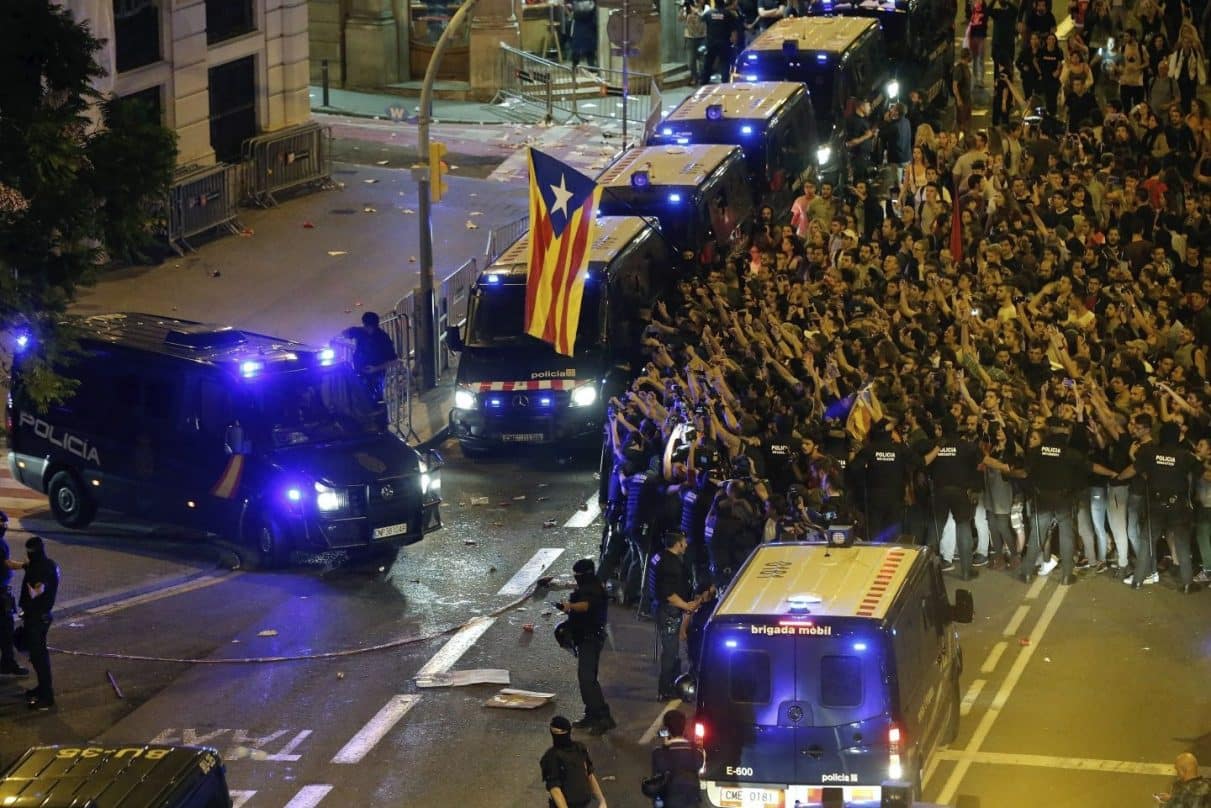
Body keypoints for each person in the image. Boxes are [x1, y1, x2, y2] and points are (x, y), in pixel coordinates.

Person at [1019, 417, 1115, 585]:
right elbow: (1091, 467)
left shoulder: (1037, 451)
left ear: (1048, 431)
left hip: (1042, 499)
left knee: (1036, 536)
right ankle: (1066, 576)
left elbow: (1026, 473)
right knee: (1066, 536)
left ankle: (1026, 573)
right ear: (1064, 434)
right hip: (1064, 499)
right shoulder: (1071, 454)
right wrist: (1112, 473)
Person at [1116, 421, 1203, 592]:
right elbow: (1204, 474)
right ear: (1178, 436)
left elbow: (1132, 470)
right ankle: (1187, 584)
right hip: (1177, 506)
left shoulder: (1150, 453)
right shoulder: (1185, 455)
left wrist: (1118, 478)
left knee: (1147, 541)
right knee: (1182, 544)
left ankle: (1138, 581)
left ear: (1161, 436)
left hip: (1155, 505)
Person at [555, 559, 617, 733]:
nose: (576, 579)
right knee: (586, 679)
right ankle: (591, 714)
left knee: (587, 680)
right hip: (585, 638)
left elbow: (585, 606)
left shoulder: (595, 590)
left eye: (578, 576)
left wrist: (569, 607)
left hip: (591, 639)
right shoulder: (590, 585)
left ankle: (603, 718)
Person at [653, 532, 709, 701]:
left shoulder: (661, 556)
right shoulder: (670, 565)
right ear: (677, 544)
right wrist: (687, 606)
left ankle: (674, 683)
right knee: (670, 652)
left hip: (667, 609)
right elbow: (669, 593)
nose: (686, 545)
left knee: (673, 651)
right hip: (670, 611)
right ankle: (665, 689)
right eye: (684, 542)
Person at [15, 536, 58, 710]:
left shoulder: (38, 571)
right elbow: (23, 565)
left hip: (36, 618)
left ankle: (46, 696)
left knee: (39, 658)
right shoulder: (49, 564)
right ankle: (42, 688)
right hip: (41, 617)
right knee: (37, 656)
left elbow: (36, 592)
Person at [540, 716, 609, 808]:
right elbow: (555, 790)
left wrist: (602, 800)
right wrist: (602, 800)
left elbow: (589, 774)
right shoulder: (552, 757)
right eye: (555, 732)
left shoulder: (579, 749)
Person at [648, 710, 705, 807]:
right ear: (684, 728)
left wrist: (666, 743)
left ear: (667, 730)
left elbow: (656, 780)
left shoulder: (658, 754)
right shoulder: (697, 752)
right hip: (690, 802)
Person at [340, 311, 397, 401]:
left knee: (376, 400)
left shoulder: (383, 338)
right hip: (359, 373)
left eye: (371, 327)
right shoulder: (359, 332)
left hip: (376, 376)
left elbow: (394, 361)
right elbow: (344, 333)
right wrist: (350, 333)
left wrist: (376, 369)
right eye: (367, 327)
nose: (369, 330)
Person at [0, 511, 30, 678]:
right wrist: (25, 566)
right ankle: (8, 663)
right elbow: (7, 564)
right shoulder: (0, 544)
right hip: (0, 594)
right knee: (6, 630)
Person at [567, 0, 599, 70]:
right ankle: (590, 65)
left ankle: (576, 66)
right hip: (586, 21)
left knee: (579, 46)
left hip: (583, 22)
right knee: (588, 46)